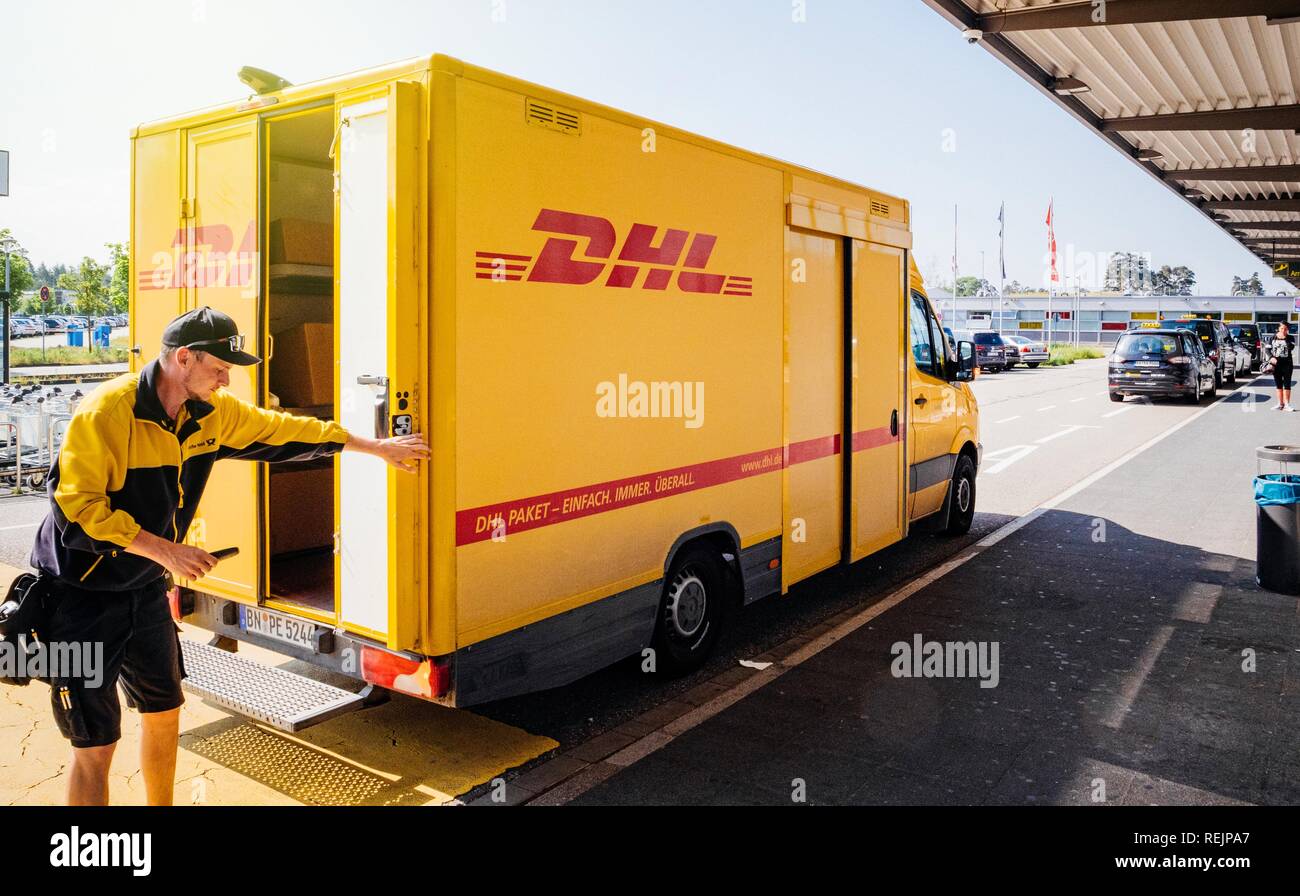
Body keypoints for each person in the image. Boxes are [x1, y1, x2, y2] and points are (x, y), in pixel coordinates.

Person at [29, 306, 429, 805]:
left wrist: (373, 447)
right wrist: (166, 551)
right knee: (96, 743)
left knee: (164, 713)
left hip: (144, 591)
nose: (227, 378)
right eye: (220, 367)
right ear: (184, 359)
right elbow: (78, 507)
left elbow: (282, 430)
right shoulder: (107, 413)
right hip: (80, 596)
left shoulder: (211, 414)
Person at [1267, 322, 1294, 411]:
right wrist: (1271, 357)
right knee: (1278, 384)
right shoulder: (1272, 337)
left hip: (1287, 364)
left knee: (1287, 384)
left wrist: (1285, 338)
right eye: (1282, 328)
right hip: (1276, 364)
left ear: (1288, 330)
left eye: (1286, 329)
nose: (1284, 330)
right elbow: (1267, 349)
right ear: (1279, 328)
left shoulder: (1290, 338)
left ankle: (1287, 404)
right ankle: (1280, 404)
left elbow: (1291, 347)